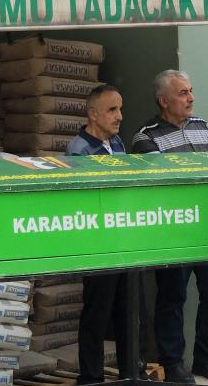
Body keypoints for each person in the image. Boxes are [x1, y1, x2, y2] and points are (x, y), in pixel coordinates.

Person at [131, 70, 208, 384]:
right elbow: (165, 183)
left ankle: (206, 358)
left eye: (191, 91)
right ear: (164, 100)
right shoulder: (145, 137)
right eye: (183, 93)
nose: (191, 98)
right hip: (174, 230)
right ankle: (172, 364)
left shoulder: (203, 126)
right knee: (172, 297)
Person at [67, 85, 141, 384]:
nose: (120, 116)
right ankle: (91, 376)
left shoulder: (118, 143)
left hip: (122, 238)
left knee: (127, 310)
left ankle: (129, 372)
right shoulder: (78, 149)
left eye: (120, 109)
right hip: (99, 242)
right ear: (92, 114)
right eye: (112, 110)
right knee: (97, 312)